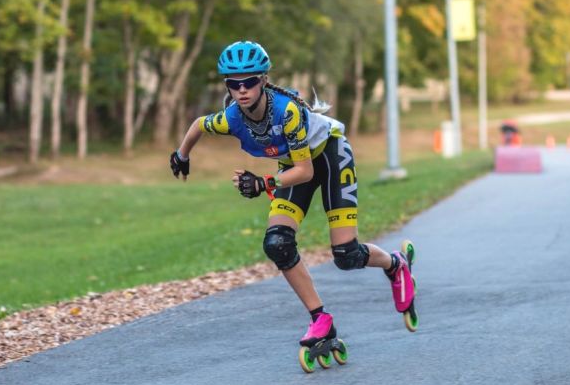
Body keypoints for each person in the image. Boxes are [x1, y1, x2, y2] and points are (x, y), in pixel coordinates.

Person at [170, 41, 417, 367]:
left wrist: (262, 183)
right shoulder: (231, 117)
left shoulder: (287, 112)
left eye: (250, 82)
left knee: (346, 255)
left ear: (264, 79)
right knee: (277, 243)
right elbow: (199, 124)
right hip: (293, 165)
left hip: (328, 157)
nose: (242, 91)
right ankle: (321, 319)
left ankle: (395, 264)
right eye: (233, 84)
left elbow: (306, 172)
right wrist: (182, 155)